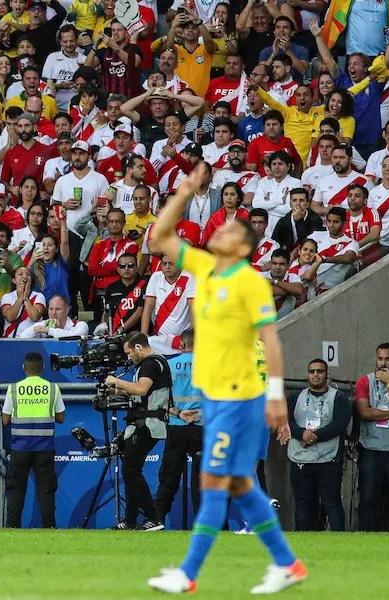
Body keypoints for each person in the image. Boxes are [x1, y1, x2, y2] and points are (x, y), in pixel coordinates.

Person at [146, 164, 306, 594]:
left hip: (241, 396)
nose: (221, 230)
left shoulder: (250, 283)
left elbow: (271, 341)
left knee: (215, 481)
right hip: (215, 394)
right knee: (238, 482)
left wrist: (275, 397)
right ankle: (288, 564)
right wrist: (183, 191)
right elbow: (159, 237)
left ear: (242, 248)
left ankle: (189, 573)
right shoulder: (204, 267)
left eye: (232, 231)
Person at [104, 331, 172, 532]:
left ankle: (152, 518)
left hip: (148, 424)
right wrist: (118, 391)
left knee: (131, 469)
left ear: (139, 347)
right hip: (144, 422)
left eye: (129, 353)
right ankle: (131, 519)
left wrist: (116, 381)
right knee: (130, 468)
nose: (128, 357)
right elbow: (148, 394)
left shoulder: (150, 364)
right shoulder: (152, 364)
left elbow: (142, 390)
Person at [287, 359, 351, 532]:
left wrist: (312, 436)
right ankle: (302, 542)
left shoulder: (339, 398)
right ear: (307, 375)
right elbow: (286, 421)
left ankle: (340, 543)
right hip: (300, 459)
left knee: (332, 503)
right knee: (303, 504)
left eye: (320, 371)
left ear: (327, 374)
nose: (315, 374)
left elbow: (340, 423)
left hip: (327, 460)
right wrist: (301, 434)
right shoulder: (295, 397)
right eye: (312, 371)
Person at [353, 343, 389, 532]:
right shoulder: (364, 381)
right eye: (380, 359)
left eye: (387, 359)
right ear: (375, 359)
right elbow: (365, 413)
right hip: (371, 448)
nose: (383, 363)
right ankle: (366, 537)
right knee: (369, 497)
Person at [2, 352, 64, 528]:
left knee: (16, 490)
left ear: (24, 368)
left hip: (20, 449)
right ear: (43, 368)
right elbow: (60, 417)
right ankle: (49, 527)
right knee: (46, 490)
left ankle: (12, 527)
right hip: (44, 448)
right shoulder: (52, 388)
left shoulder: (13, 389)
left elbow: (5, 420)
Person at [153, 329, 202, 527]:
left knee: (168, 478)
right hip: (202, 427)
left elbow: (159, 401)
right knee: (203, 481)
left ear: (181, 345)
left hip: (176, 427)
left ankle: (157, 520)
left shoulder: (168, 366)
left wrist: (177, 413)